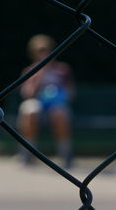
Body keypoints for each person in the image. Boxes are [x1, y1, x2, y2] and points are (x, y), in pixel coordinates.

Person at [17, 34, 75, 168]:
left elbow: (71, 93)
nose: (43, 53)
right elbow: (27, 94)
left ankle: (65, 153)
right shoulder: (30, 71)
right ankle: (27, 153)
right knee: (30, 110)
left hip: (56, 105)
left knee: (59, 112)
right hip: (37, 104)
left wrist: (58, 94)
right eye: (39, 51)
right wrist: (39, 75)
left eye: (46, 49)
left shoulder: (62, 70)